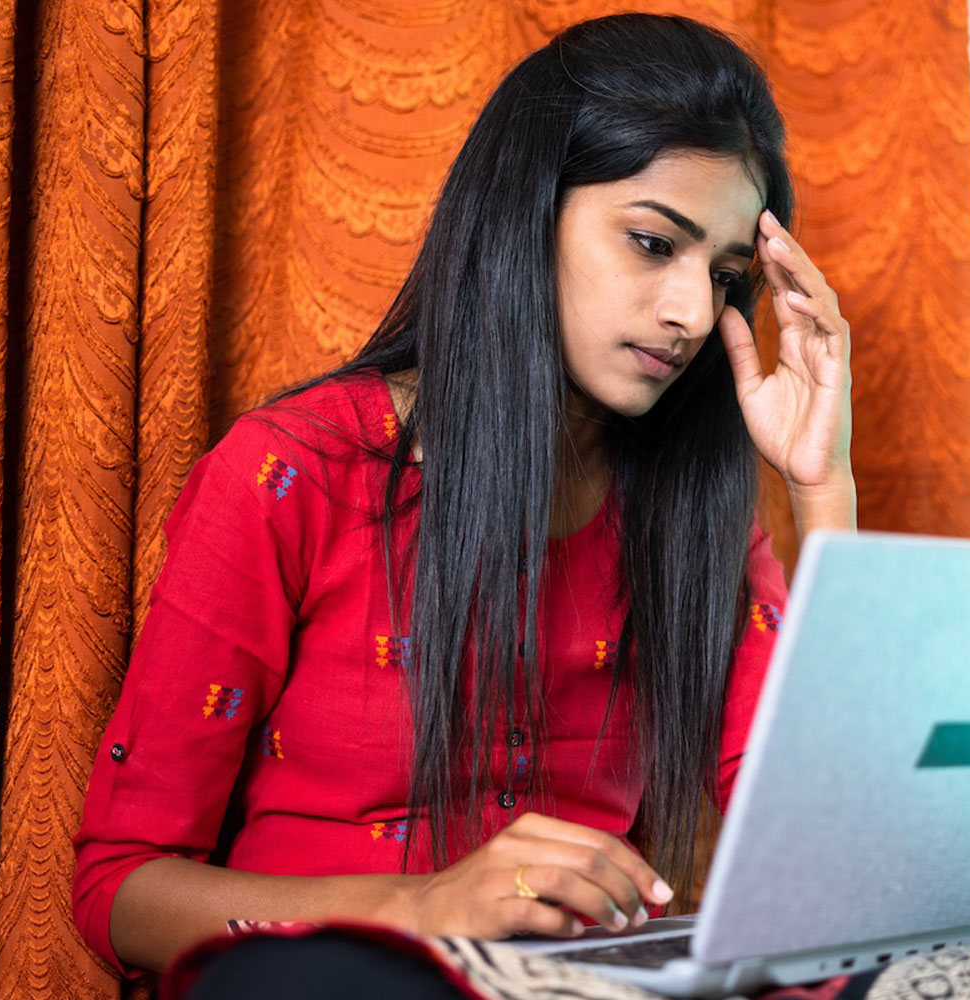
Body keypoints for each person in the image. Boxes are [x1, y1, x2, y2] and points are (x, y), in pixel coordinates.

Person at [71, 12, 854, 982]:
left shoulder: (692, 516)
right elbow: (120, 885)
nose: (693, 312)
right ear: (527, 213)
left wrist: (821, 489)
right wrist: (417, 907)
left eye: (727, 277)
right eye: (654, 243)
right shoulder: (289, 474)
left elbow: (833, 869)